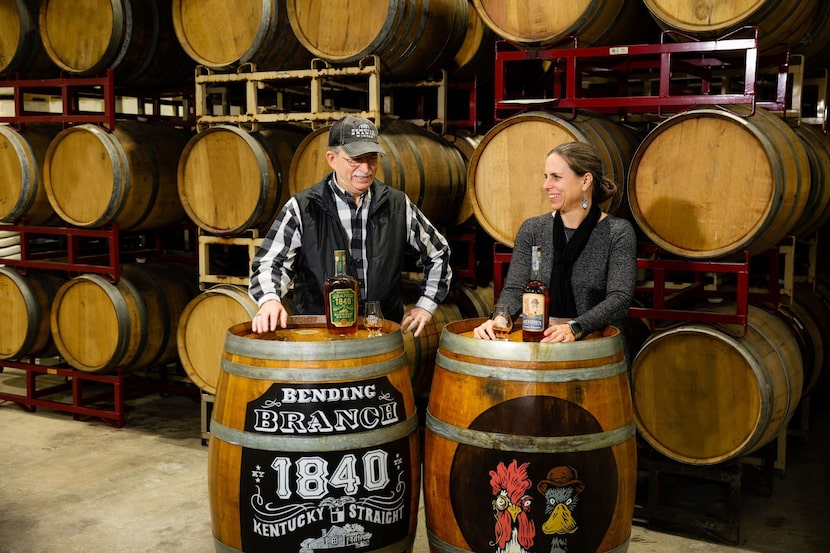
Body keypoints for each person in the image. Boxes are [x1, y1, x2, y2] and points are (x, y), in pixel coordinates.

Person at [249, 115, 453, 337]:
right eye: (355, 159)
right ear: (332, 159)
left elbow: (438, 252)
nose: (365, 169)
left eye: (372, 158)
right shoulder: (303, 207)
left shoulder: (396, 204)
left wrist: (426, 304)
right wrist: (269, 299)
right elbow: (270, 262)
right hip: (320, 338)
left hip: (381, 336)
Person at [473, 141, 637, 355]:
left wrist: (576, 327)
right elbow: (515, 289)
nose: (546, 186)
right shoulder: (533, 229)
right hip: (541, 343)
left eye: (556, 177)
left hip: (597, 347)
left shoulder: (617, 232)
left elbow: (619, 299)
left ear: (585, 180)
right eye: (546, 177)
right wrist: (500, 319)